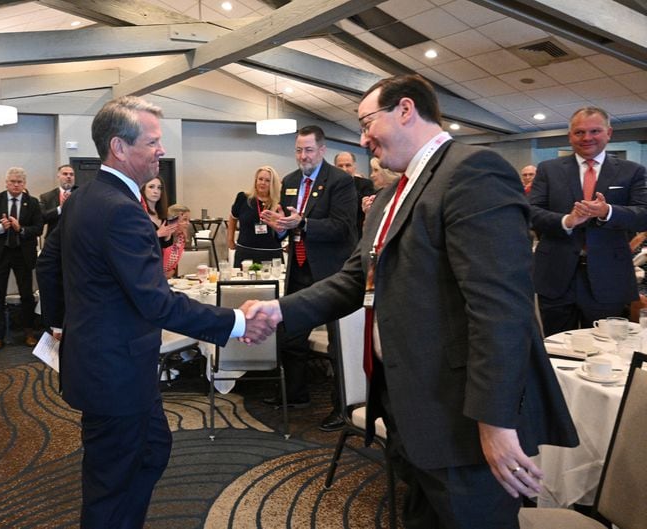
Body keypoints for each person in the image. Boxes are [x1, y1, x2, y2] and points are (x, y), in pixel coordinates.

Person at [247, 74, 580, 528]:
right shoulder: (389, 197)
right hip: (410, 406)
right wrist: (280, 310)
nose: (363, 138)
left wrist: (497, 423)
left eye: (367, 122)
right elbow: (353, 280)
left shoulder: (472, 171)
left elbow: (500, 310)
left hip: (465, 421)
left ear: (405, 109)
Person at [39, 95, 273, 528]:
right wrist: (238, 322)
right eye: (153, 141)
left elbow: (48, 266)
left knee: (151, 449)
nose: (161, 150)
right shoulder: (121, 211)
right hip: (117, 372)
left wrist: (59, 326)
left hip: (107, 364)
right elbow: (156, 302)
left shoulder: (82, 199)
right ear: (119, 147)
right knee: (112, 484)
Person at [259, 125, 357, 432]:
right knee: (291, 335)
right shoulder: (289, 181)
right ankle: (296, 394)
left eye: (309, 150)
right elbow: (288, 226)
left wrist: (303, 222)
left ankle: (343, 406)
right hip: (299, 270)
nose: (303, 156)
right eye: (299, 150)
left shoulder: (339, 181)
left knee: (337, 344)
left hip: (331, 272)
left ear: (322, 150)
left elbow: (342, 227)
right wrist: (279, 227)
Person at [530, 107, 647, 335]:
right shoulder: (548, 169)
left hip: (608, 275)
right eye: (579, 132)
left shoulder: (632, 171)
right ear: (570, 136)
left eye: (595, 131)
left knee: (606, 351)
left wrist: (608, 211)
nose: (587, 138)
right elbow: (531, 211)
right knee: (556, 347)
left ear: (608, 133)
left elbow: (643, 215)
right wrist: (567, 220)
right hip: (556, 274)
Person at [0, 167, 43, 352]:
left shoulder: (32, 202)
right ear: (6, 182)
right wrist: (1, 228)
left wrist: (20, 229)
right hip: (0, 254)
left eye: (20, 182)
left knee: (26, 295)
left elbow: (38, 228)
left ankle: (29, 332)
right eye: (13, 181)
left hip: (22, 254)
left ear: (24, 184)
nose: (16, 185)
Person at [227, 165, 283, 269]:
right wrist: (230, 239)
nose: (263, 183)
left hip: (271, 253)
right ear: (255, 180)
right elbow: (233, 217)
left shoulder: (280, 202)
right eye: (260, 179)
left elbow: (286, 225)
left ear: (272, 184)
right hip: (245, 252)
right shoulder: (243, 198)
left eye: (267, 180)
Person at [334, 151, 374, 231]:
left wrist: (347, 184)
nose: (344, 169)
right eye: (340, 166)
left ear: (354, 167)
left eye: (348, 165)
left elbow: (365, 207)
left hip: (357, 233)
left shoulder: (365, 184)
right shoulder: (329, 186)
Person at [39, 164, 77, 238]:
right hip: (54, 238)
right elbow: (42, 218)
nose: (68, 176)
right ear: (58, 177)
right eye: (65, 174)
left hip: (76, 237)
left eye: (71, 174)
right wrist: (60, 208)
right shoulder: (46, 197)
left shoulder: (82, 194)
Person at [140, 176, 175, 248]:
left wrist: (168, 235)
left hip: (160, 258)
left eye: (159, 188)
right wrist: (158, 234)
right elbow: (136, 242)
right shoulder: (138, 214)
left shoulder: (164, 215)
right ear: (143, 190)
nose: (156, 191)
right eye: (151, 187)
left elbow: (166, 246)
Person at [162, 203, 192, 279]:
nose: (188, 223)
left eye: (189, 220)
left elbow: (174, 260)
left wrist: (173, 270)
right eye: (184, 219)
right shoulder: (163, 236)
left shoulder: (181, 237)